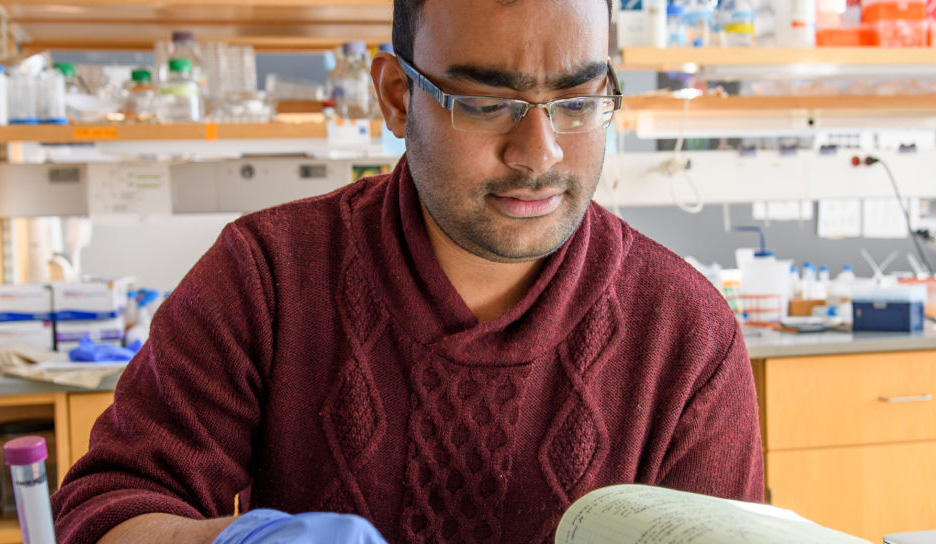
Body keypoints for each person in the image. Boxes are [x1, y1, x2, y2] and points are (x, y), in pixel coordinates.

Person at [53, 0, 764, 542]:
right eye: (488, 103)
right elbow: (109, 508)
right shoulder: (267, 278)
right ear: (397, 95)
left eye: (577, 103)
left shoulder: (686, 332)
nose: (539, 153)